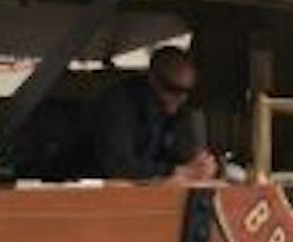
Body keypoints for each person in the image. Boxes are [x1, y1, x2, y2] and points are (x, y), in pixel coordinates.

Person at [87, 45, 217, 181]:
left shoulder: (183, 111)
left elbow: (184, 154)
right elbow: (119, 165)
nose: (181, 98)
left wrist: (201, 165)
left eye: (187, 91)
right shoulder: (119, 103)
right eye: (173, 89)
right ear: (153, 78)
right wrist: (173, 171)